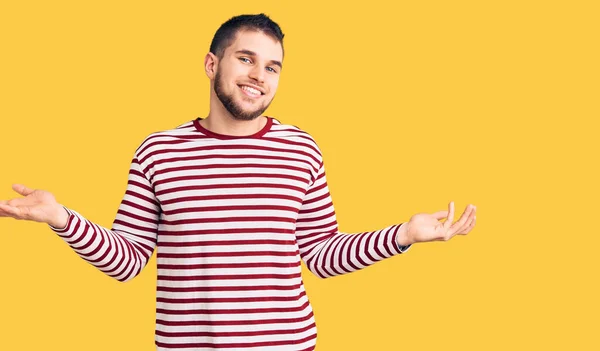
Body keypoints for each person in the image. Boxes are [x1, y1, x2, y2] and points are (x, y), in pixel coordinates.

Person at [0, 13, 477, 351]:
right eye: (245, 59)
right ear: (212, 65)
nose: (259, 77)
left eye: (272, 67)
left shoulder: (300, 148)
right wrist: (60, 218)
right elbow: (128, 261)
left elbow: (320, 255)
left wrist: (404, 236)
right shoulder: (159, 151)